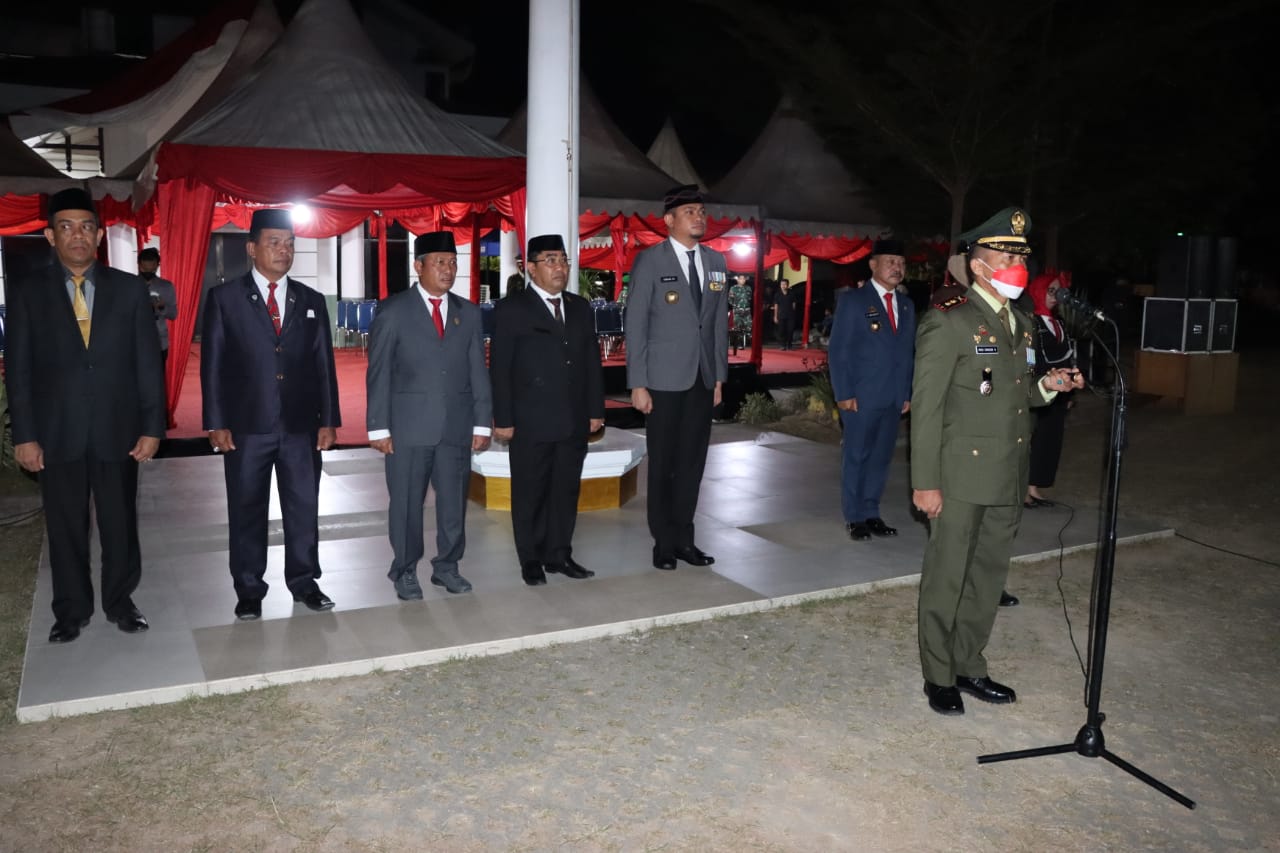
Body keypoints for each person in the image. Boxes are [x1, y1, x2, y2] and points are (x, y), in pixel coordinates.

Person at [910, 207, 1085, 716]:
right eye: (1004, 255)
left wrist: (1047, 388)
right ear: (978, 263)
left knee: (986, 577)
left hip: (1007, 473)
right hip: (960, 476)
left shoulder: (1021, 322)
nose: (1015, 265)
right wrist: (926, 483)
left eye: (1020, 256)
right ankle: (938, 674)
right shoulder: (949, 320)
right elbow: (927, 409)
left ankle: (969, 664)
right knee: (948, 576)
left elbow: (1013, 396)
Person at [5, 187, 164, 642]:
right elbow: (19, 371)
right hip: (56, 435)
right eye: (67, 226)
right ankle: (71, 610)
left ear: (98, 234)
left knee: (119, 522)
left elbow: (147, 365)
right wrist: (26, 436)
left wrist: (152, 427)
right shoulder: (29, 291)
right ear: (50, 236)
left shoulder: (130, 290)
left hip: (118, 430)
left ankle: (121, 601)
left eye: (87, 226)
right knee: (65, 526)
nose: (78, 235)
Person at [201, 208, 341, 621]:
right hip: (246, 428)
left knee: (303, 506)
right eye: (274, 243)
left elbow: (323, 365)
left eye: (290, 243)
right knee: (246, 509)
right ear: (252, 247)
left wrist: (329, 419)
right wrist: (216, 421)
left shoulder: (310, 300)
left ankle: (304, 581)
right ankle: (248, 588)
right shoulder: (224, 299)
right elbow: (212, 364)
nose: (284, 250)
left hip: (300, 427)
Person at [366, 231, 492, 599]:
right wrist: (378, 427)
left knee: (453, 503)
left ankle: (448, 566)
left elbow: (477, 371)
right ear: (418, 266)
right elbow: (379, 373)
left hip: (455, 426)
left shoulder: (467, 313)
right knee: (406, 504)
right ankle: (404, 569)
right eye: (440, 262)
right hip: (407, 429)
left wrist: (482, 421)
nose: (448, 270)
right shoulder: (393, 311)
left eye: (453, 263)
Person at [490, 234, 605, 586]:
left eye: (564, 260)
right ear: (531, 268)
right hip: (530, 421)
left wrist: (595, 409)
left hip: (572, 418)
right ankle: (531, 559)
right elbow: (500, 368)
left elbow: (591, 361)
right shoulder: (512, 309)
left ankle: (559, 553)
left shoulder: (580, 307)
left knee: (565, 490)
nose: (560, 267)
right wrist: (504, 418)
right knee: (530, 491)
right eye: (551, 260)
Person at [625, 184, 729, 571]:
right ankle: (663, 543)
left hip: (702, 379)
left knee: (692, 464)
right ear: (669, 220)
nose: (699, 217)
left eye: (701, 211)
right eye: (690, 212)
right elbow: (634, 323)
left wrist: (719, 376)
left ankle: (686, 540)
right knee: (665, 463)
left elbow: (718, 324)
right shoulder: (651, 261)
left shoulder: (717, 262)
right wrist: (637, 382)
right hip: (663, 381)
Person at [828, 238, 915, 542]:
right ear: (873, 264)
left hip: (892, 397)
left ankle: (871, 512)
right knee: (857, 456)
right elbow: (839, 351)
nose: (897, 267)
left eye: (901, 263)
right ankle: (854, 517)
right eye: (890, 261)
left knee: (880, 458)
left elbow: (907, 353)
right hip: (860, 398)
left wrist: (906, 393)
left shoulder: (906, 304)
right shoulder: (854, 301)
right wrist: (843, 393)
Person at [1025, 273, 1075, 508]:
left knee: (1051, 440)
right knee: (1034, 438)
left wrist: (1070, 391)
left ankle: (1035, 486)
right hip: (1039, 387)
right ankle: (1024, 487)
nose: (1055, 296)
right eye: (1050, 290)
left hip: (1059, 389)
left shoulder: (1058, 323)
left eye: (1058, 291)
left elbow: (1067, 356)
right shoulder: (1030, 321)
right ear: (1038, 290)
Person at [136, 247, 177, 371]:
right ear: (139, 265)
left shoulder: (166, 287)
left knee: (158, 379)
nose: (148, 271)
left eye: (152, 268)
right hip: (135, 341)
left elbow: (173, 314)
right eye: (144, 268)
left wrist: (162, 307)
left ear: (157, 266)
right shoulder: (130, 285)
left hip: (159, 340)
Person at [773, 278, 796, 349]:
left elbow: (794, 305)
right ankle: (783, 345)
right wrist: (775, 316)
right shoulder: (777, 294)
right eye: (782, 284)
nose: (783, 286)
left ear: (788, 285)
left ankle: (789, 344)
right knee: (781, 331)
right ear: (780, 285)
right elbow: (776, 306)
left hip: (790, 315)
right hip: (781, 315)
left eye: (785, 284)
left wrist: (792, 313)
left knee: (790, 330)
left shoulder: (792, 293)